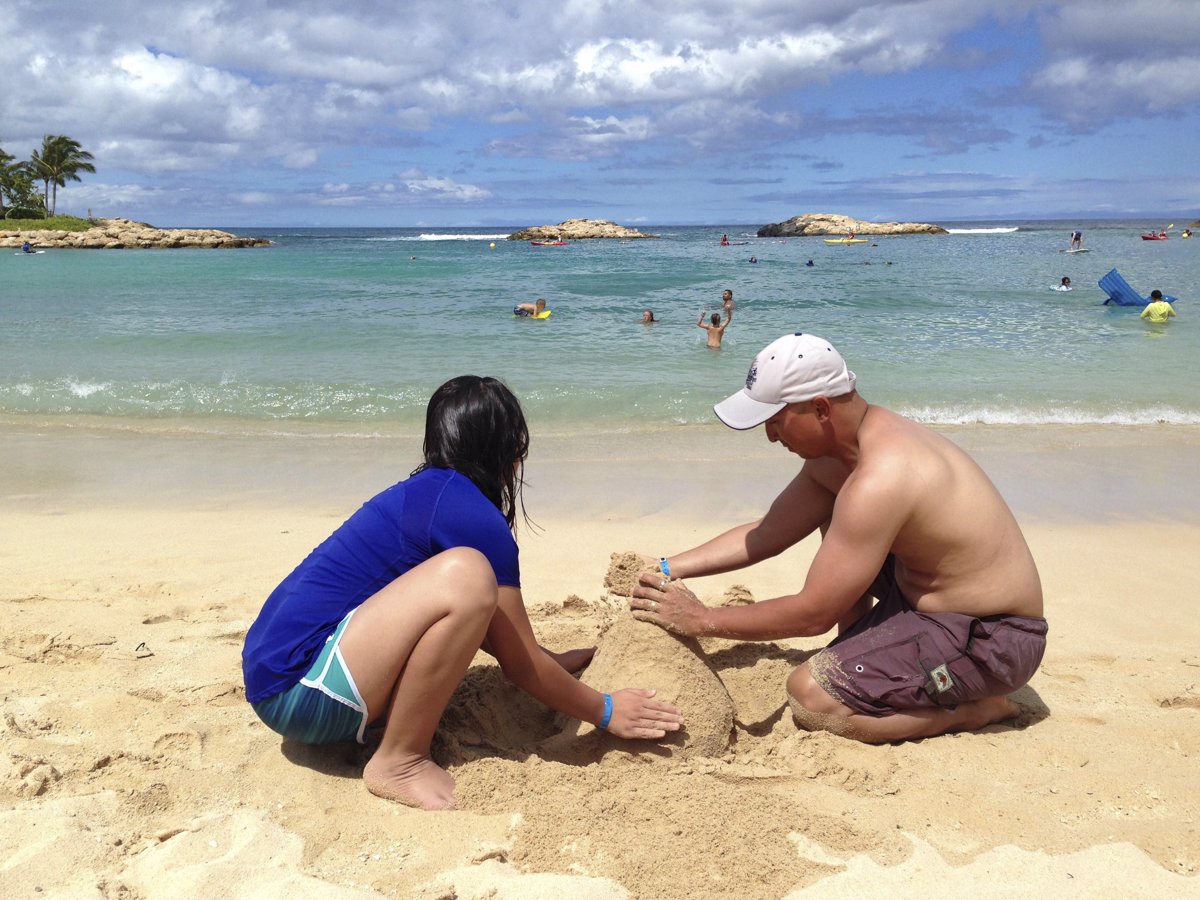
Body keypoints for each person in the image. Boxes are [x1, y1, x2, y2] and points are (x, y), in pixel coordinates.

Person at [242, 376, 683, 810]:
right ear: (509, 453)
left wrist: (548, 658)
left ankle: (395, 747)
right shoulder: (473, 515)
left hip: (278, 677)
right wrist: (606, 710)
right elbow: (519, 666)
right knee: (470, 576)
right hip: (304, 692)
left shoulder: (426, 494)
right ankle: (400, 760)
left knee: (469, 583)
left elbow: (494, 631)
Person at [628, 332, 1047, 744]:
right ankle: (861, 643)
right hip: (924, 597)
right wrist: (666, 567)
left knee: (813, 699)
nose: (771, 437)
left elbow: (813, 615)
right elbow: (767, 533)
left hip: (993, 638)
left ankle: (978, 710)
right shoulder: (842, 457)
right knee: (836, 516)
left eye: (776, 421)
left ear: (822, 408)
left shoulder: (882, 476)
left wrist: (702, 621)